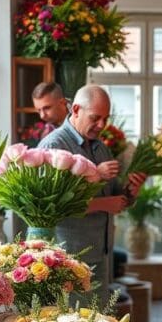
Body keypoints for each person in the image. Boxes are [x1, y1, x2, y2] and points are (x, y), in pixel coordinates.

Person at [38, 85, 146, 304]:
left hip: (101, 256)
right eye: (96, 118)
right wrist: (104, 203)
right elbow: (50, 207)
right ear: (76, 109)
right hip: (69, 260)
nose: (101, 125)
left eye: (106, 119)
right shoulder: (54, 145)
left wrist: (131, 189)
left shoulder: (100, 148)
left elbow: (117, 199)